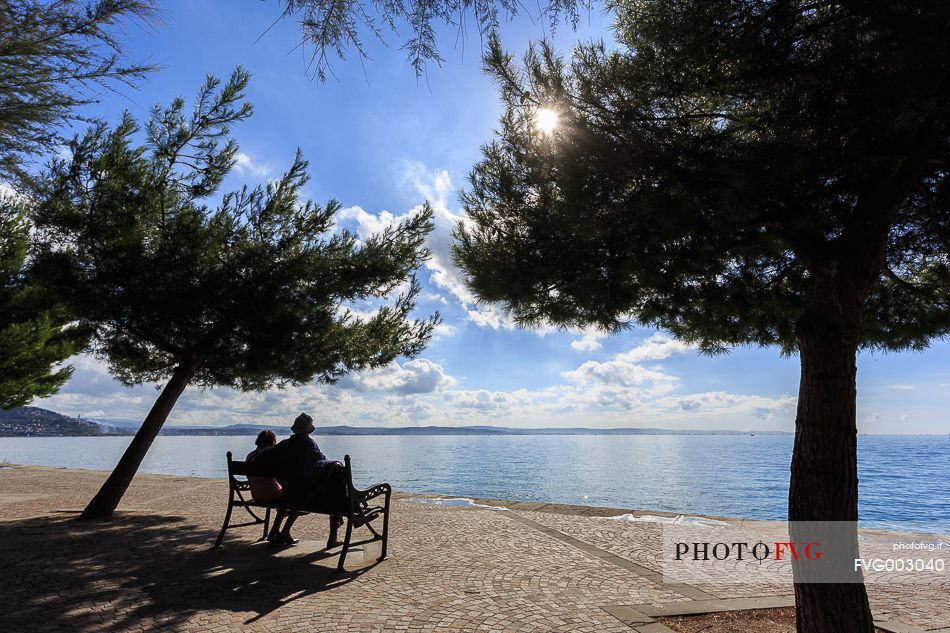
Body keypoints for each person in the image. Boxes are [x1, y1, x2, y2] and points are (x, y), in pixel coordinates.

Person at [252, 413, 346, 547]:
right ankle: (335, 535)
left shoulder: (284, 445)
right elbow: (322, 462)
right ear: (309, 429)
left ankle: (283, 532)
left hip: (290, 492)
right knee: (334, 486)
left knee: (326, 487)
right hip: (304, 496)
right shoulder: (308, 443)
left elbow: (260, 459)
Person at [245, 429, 295, 541]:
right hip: (273, 496)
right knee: (297, 500)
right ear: (273, 442)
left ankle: (275, 531)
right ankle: (282, 532)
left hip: (256, 495)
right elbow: (281, 480)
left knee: (288, 499)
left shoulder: (250, 456)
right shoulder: (269, 457)